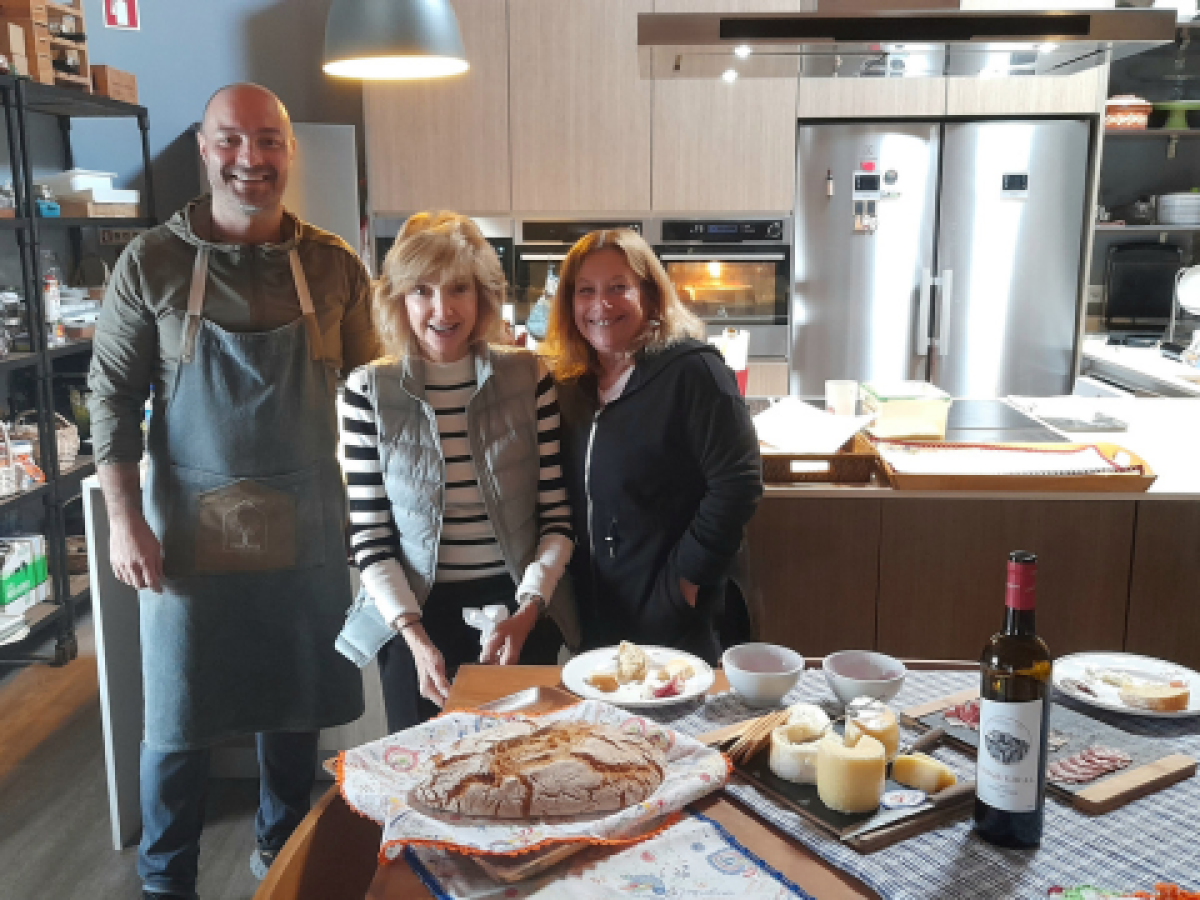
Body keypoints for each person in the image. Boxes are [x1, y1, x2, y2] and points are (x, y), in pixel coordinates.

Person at [87, 83, 378, 900]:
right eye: (230, 140)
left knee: (296, 702)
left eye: (268, 141)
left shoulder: (331, 265)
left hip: (310, 521)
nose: (250, 159)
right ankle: (164, 881)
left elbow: (370, 398)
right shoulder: (151, 261)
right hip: (184, 529)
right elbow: (110, 400)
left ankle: (279, 855)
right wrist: (122, 520)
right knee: (178, 718)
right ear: (203, 147)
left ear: (290, 151)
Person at [337, 211, 577, 733]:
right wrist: (417, 640)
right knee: (423, 780)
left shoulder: (528, 376)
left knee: (523, 768)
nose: (442, 310)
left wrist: (529, 609)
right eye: (422, 290)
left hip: (519, 613)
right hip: (417, 619)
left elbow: (558, 520)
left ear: (483, 297)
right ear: (399, 300)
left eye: (459, 289)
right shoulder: (366, 392)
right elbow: (370, 538)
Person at [541, 228, 762, 666]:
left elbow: (738, 484)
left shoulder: (694, 371)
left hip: (677, 618)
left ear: (649, 293)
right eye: (585, 291)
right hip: (598, 619)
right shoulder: (572, 386)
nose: (600, 305)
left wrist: (685, 585)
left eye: (618, 288)